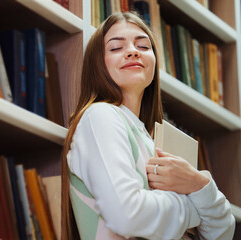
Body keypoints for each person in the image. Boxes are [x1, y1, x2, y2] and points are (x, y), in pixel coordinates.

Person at [61, 11, 235, 240]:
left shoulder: (153, 140)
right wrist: (195, 209)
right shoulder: (100, 116)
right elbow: (127, 214)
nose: (133, 51)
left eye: (143, 46)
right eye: (115, 48)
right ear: (97, 65)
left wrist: (201, 184)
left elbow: (223, 232)